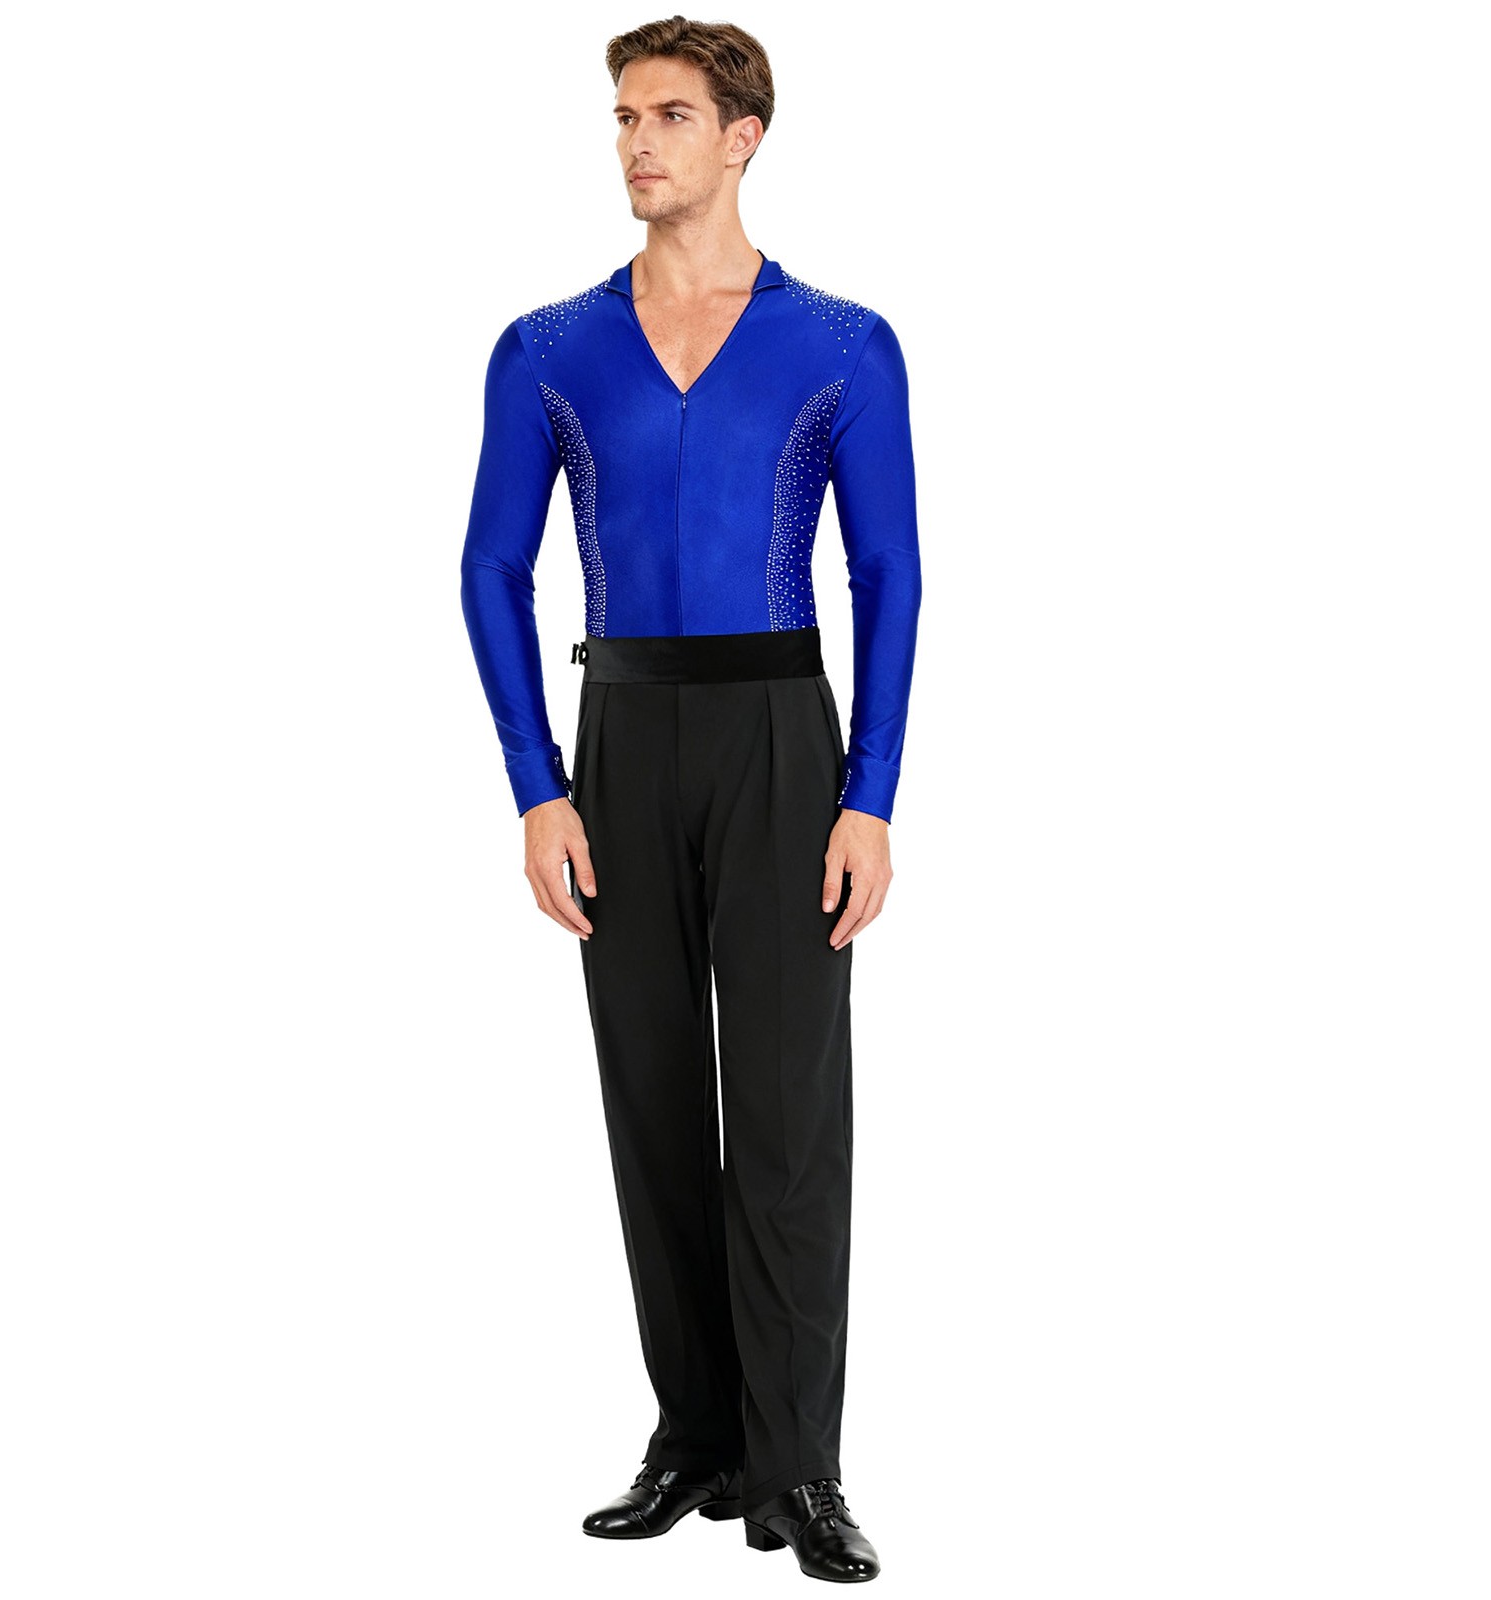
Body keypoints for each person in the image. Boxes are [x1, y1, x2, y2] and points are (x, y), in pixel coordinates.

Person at [459, 15, 919, 1584]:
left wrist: (869, 796)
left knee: (786, 1117)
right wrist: (539, 788)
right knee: (651, 1100)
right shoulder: (547, 347)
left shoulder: (841, 343)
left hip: (783, 731)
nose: (636, 142)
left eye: (667, 114)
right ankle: (696, 1440)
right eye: (621, 115)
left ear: (742, 138)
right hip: (623, 732)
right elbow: (490, 569)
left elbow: (890, 572)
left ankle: (799, 1470)